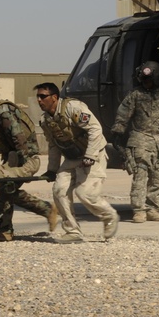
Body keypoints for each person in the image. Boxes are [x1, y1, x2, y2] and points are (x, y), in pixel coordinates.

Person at [35, 82, 120, 244]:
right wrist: (52, 170)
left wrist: (90, 155)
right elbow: (53, 145)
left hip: (93, 154)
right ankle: (72, 231)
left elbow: (95, 129)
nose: (39, 100)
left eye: (43, 96)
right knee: (59, 190)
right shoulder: (45, 120)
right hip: (72, 157)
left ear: (54, 97)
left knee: (85, 193)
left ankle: (109, 216)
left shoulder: (73, 108)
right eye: (38, 97)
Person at [0, 84, 57, 241]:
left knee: (7, 188)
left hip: (26, 158)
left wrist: (22, 165)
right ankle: (6, 230)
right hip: (12, 158)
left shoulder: (4, 111)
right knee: (6, 189)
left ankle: (44, 211)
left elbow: (19, 137)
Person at [109, 61, 159, 223]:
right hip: (141, 140)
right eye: (144, 80)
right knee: (140, 176)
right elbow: (123, 115)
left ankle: (153, 208)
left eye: (149, 80)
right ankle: (139, 210)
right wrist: (118, 133)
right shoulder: (135, 95)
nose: (146, 83)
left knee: (158, 178)